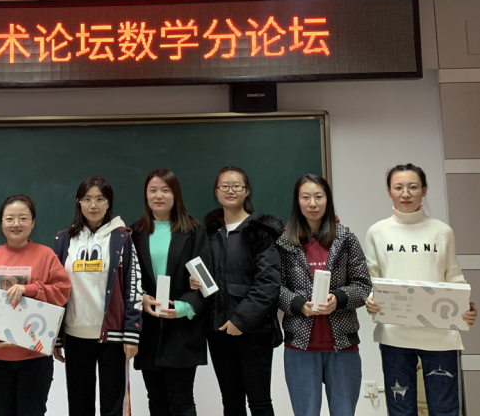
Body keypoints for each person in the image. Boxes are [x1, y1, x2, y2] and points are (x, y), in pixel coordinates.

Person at [365, 163, 477, 416]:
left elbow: (453, 276)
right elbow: (373, 279)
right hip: (395, 335)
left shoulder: (442, 232)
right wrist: (371, 300)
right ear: (389, 191)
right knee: (401, 410)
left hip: (440, 335)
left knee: (444, 410)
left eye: (413, 187)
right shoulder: (377, 232)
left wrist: (465, 307)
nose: (405, 193)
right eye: (399, 187)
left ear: (424, 190)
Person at [275, 174, 372, 416]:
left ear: (327, 200)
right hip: (299, 346)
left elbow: (363, 285)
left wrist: (339, 298)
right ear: (297, 201)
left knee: (344, 412)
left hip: (343, 345)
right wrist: (299, 305)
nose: (313, 203)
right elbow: (275, 288)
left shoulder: (345, 239)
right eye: (306, 197)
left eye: (319, 196)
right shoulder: (285, 242)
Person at [0, 194, 71, 416]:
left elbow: (62, 292)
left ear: (32, 222)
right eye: (10, 218)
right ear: (1, 222)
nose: (16, 224)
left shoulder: (46, 256)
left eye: (23, 218)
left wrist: (29, 289)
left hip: (35, 359)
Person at [52, 175, 142, 416]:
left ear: (108, 203)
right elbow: (55, 289)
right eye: (87, 199)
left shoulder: (122, 237)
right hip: (75, 335)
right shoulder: (64, 240)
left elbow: (133, 285)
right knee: (79, 406)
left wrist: (132, 332)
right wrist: (57, 335)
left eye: (100, 199)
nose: (93, 205)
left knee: (112, 406)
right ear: (79, 202)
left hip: (113, 337)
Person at [195, 166, 282, 416]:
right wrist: (195, 282)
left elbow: (268, 283)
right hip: (218, 329)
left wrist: (240, 320)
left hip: (254, 330)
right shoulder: (208, 232)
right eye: (224, 186)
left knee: (259, 402)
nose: (230, 190)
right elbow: (204, 272)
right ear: (216, 191)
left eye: (236, 186)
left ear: (247, 191)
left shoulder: (261, 231)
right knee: (231, 402)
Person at [131, 168, 211, 416]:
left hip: (182, 329)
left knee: (181, 401)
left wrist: (183, 307)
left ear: (175, 194)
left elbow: (206, 280)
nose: (159, 196)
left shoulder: (195, 231)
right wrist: (141, 298)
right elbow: (129, 278)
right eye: (153, 190)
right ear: (146, 195)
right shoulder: (135, 233)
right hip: (149, 329)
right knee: (156, 400)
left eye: (165, 190)